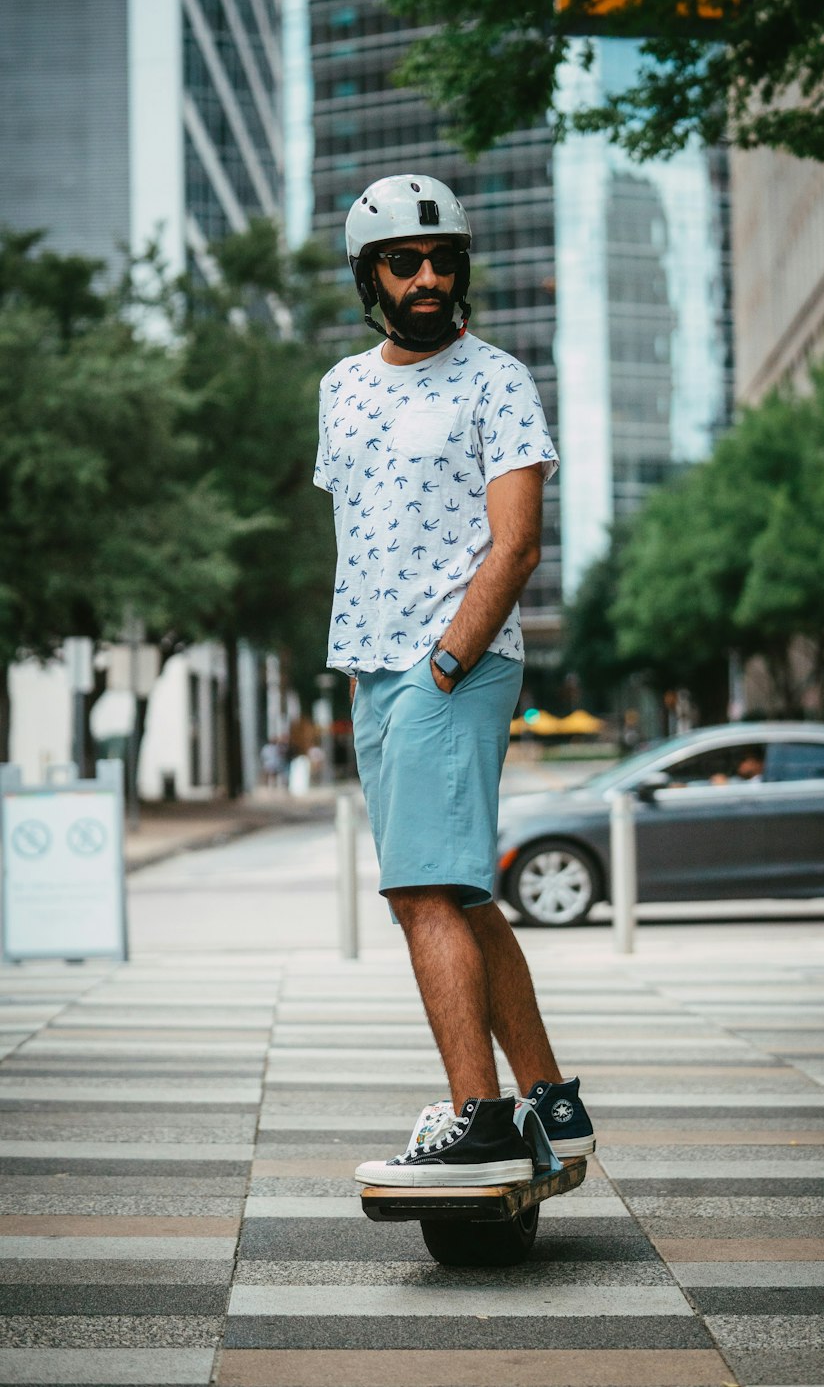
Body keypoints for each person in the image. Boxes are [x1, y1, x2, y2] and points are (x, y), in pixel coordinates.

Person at [313, 175, 594, 1186]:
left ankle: (481, 1114)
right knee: (449, 896)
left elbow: (515, 548)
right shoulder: (340, 388)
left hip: (455, 662)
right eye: (405, 263)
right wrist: (372, 672)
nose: (429, 277)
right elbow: (360, 530)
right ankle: (553, 1101)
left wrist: (444, 661)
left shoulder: (497, 379)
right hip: (373, 670)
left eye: (443, 260)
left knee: (425, 889)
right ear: (370, 278)